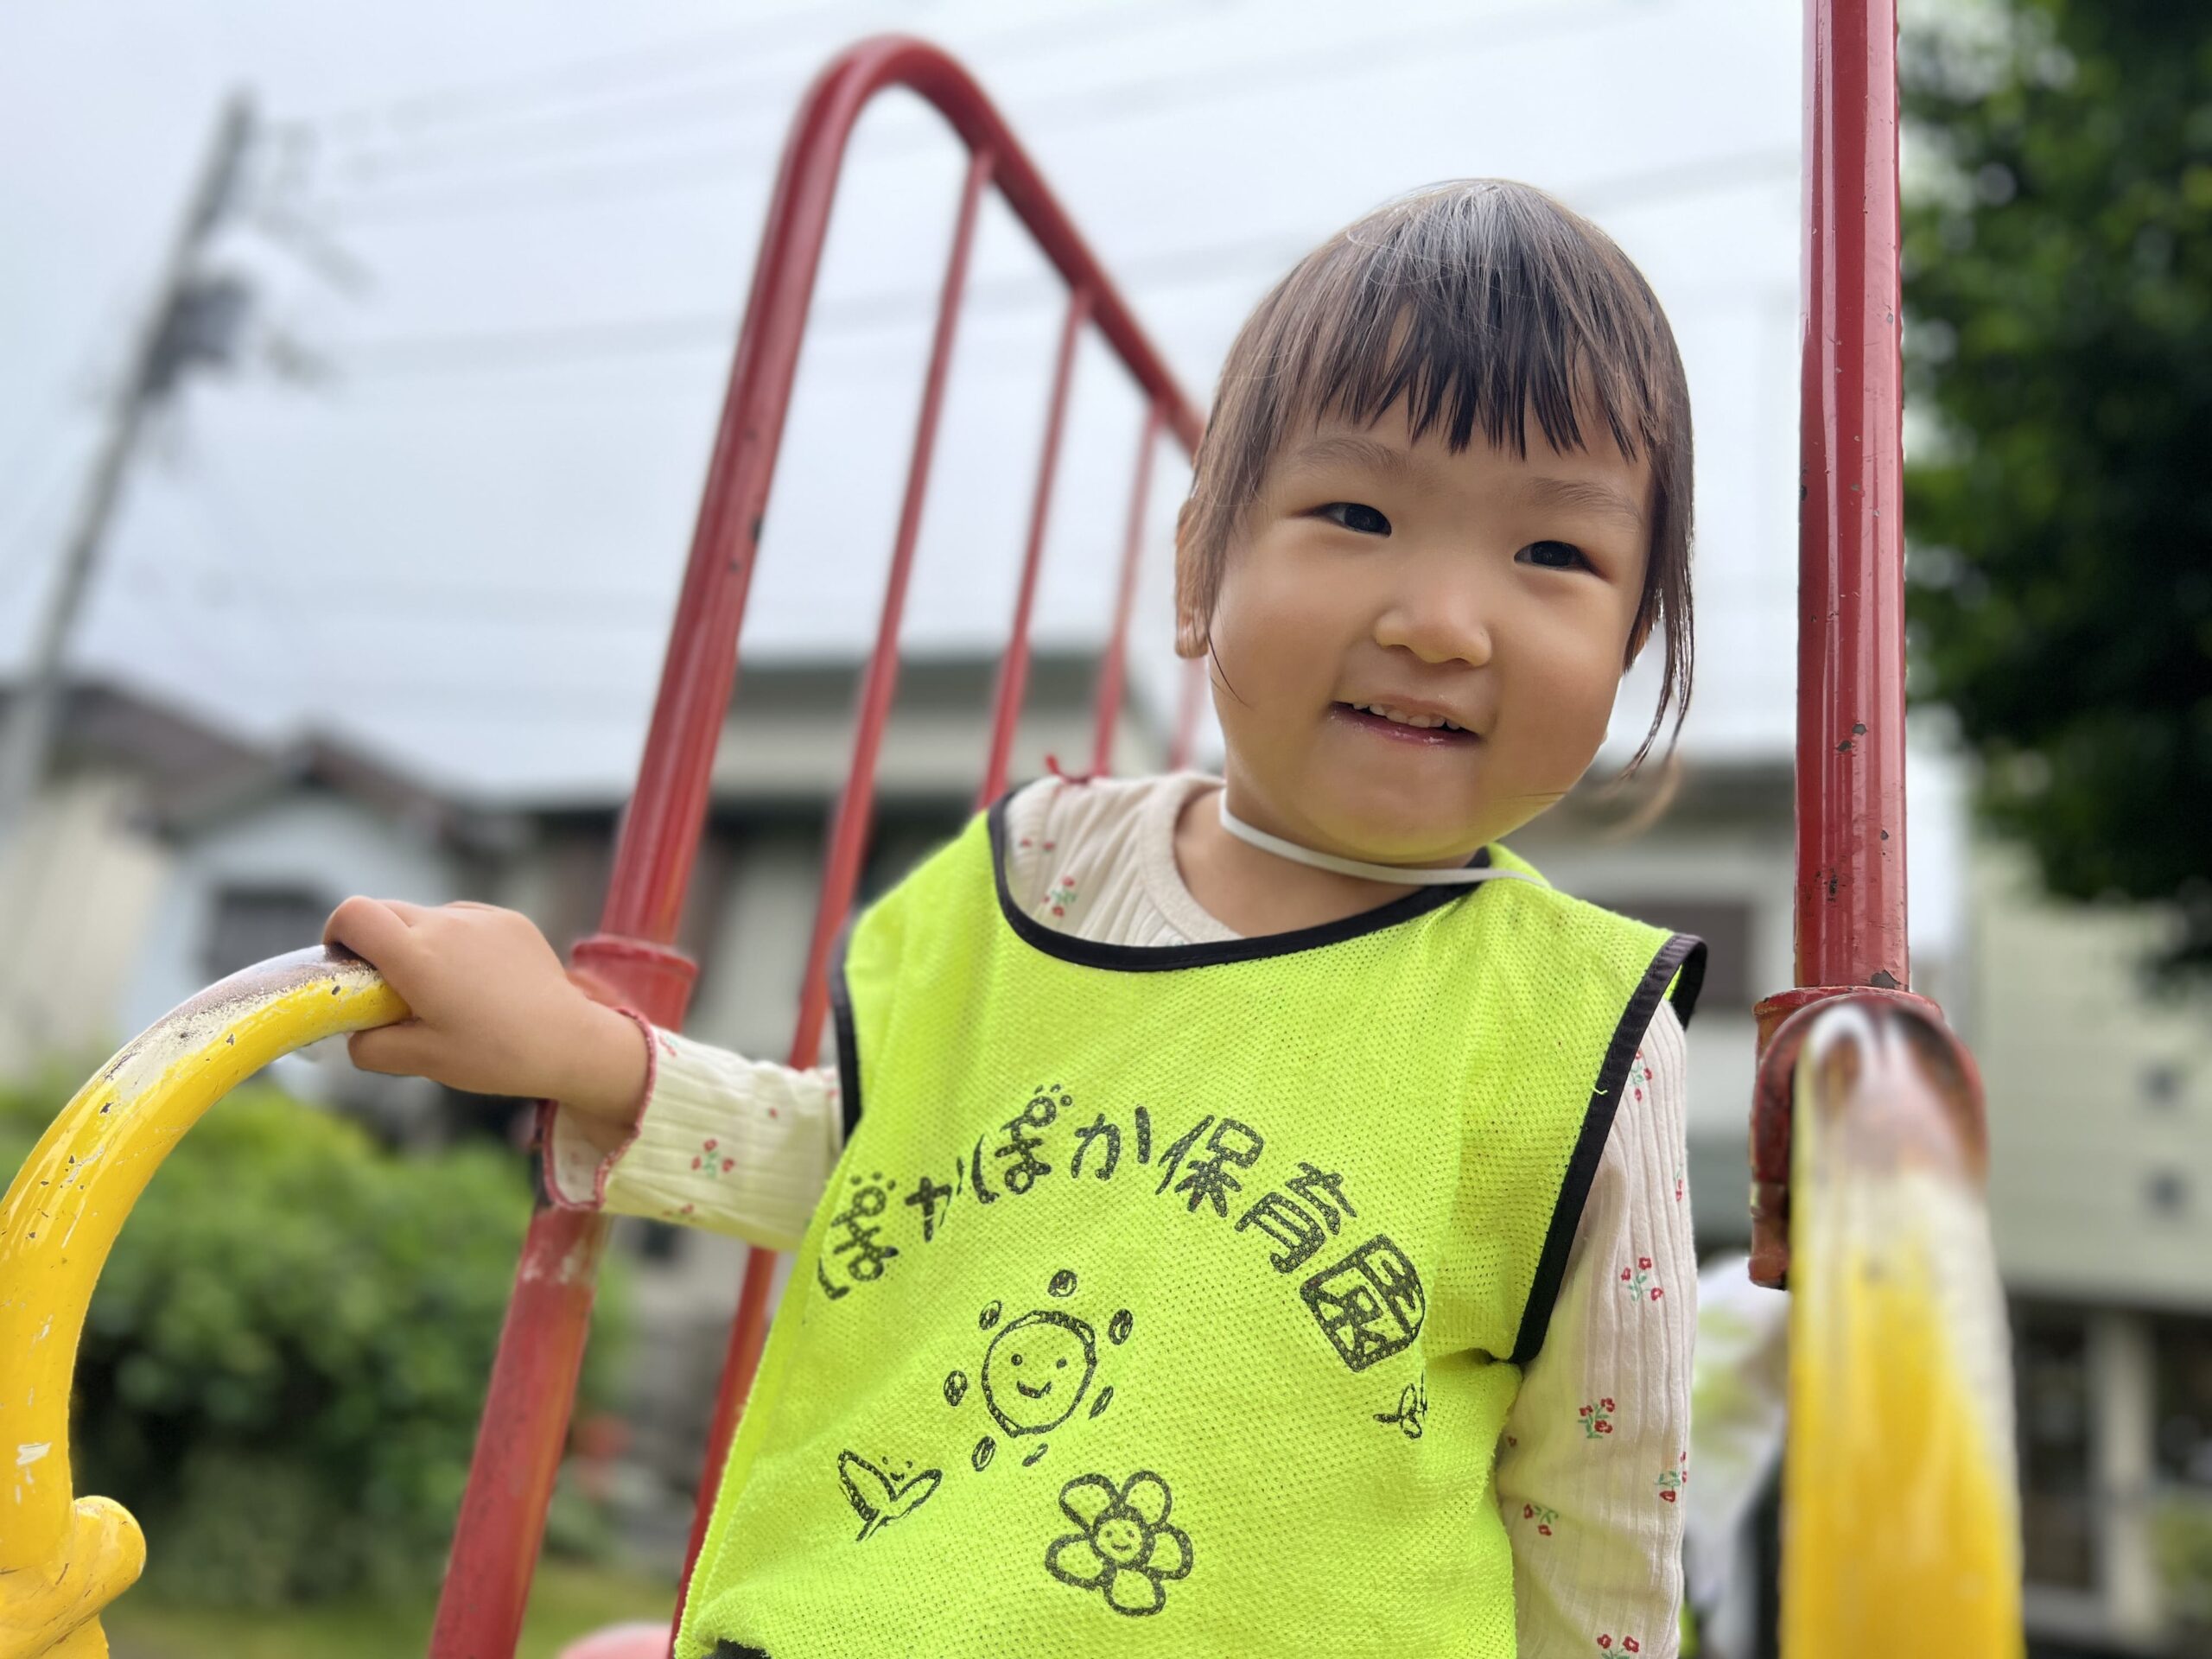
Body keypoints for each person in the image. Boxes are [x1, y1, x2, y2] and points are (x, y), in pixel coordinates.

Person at [324, 178, 1707, 1658]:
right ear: (1198, 574)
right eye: (1356, 513)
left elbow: (1603, 1500)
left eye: (1554, 555)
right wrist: (586, 1057)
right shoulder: (1032, 878)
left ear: (1628, 641)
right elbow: (869, 1173)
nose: (1442, 618)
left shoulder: (1579, 1037)